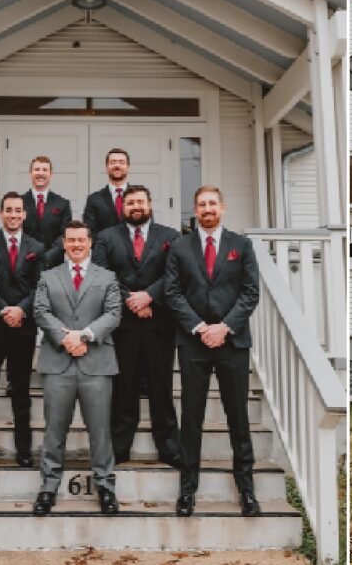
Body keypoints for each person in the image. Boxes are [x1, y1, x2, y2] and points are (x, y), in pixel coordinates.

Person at [165, 186, 260, 517]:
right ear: (195, 209)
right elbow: (172, 292)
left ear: (223, 207)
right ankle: (187, 489)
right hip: (193, 344)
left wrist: (224, 327)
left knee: (238, 416)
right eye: (202, 204)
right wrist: (201, 327)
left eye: (212, 204)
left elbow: (250, 293)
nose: (207, 209)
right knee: (191, 417)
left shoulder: (241, 245)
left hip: (232, 343)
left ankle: (246, 488)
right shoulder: (180, 247)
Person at [32, 220, 122, 515]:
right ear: (64, 243)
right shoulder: (48, 276)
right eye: (71, 240)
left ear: (90, 242)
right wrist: (64, 338)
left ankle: (105, 486)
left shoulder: (107, 277)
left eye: (81, 240)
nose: (76, 245)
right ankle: (48, 487)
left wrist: (83, 336)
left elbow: (113, 314)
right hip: (57, 363)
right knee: (54, 430)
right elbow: (41, 312)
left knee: (100, 430)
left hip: (96, 363)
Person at [92, 185, 181, 467]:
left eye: (140, 201)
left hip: (160, 324)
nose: (136, 206)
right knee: (124, 387)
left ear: (150, 203)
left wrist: (149, 296)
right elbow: (102, 273)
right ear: (123, 207)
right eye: (130, 203)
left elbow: (175, 274)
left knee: (161, 386)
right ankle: (119, 447)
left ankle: (169, 447)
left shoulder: (171, 236)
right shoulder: (107, 237)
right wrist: (130, 300)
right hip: (122, 324)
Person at [0, 191, 46, 469]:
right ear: (1, 213)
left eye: (18, 210)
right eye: (9, 210)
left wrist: (21, 310)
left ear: (25, 214)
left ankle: (23, 449)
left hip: (24, 328)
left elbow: (40, 286)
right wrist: (6, 309)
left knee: (21, 390)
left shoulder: (36, 248)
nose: (14, 215)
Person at [21, 155, 72, 268]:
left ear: (51, 174)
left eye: (45, 170)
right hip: (23, 263)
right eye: (37, 169)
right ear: (30, 173)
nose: (40, 173)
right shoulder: (20, 202)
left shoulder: (62, 204)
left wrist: (48, 257)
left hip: (53, 264)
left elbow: (65, 234)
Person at [83, 148, 132, 240]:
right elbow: (89, 233)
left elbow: (148, 228)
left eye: (121, 162)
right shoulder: (94, 199)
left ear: (128, 167)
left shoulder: (140, 196)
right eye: (113, 162)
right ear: (106, 167)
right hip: (104, 252)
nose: (117, 165)